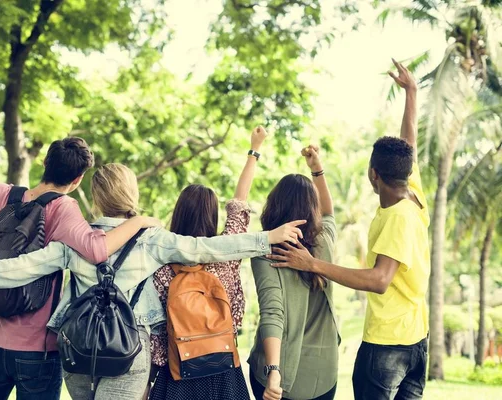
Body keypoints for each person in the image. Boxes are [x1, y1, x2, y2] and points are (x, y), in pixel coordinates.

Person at [0, 167, 305, 398]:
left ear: (94, 199)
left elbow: (16, 268)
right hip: (128, 353)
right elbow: (211, 247)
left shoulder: (74, 241)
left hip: (76, 352)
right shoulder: (152, 239)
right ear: (132, 195)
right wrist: (267, 238)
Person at [0, 97, 157, 400]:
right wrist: (139, 222)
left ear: (44, 162)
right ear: (77, 180)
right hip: (37, 351)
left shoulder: (5, 196)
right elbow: (97, 250)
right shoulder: (65, 209)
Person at [268, 59, 429, 400]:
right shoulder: (413, 192)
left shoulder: (399, 217)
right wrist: (411, 94)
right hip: (417, 340)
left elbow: (379, 280)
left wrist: (311, 264)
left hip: (388, 346)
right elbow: (409, 144)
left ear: (374, 175)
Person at [148, 126, 269, 400]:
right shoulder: (227, 255)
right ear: (212, 216)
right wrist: (255, 149)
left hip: (178, 373)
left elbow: (156, 333)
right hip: (224, 370)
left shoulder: (162, 263)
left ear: (178, 214)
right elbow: (240, 203)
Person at [247, 144, 339, 400]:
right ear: (313, 208)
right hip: (323, 375)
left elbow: (272, 313)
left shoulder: (267, 251)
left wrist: (274, 370)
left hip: (279, 374)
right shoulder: (324, 241)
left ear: (274, 205)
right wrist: (317, 170)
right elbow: (329, 213)